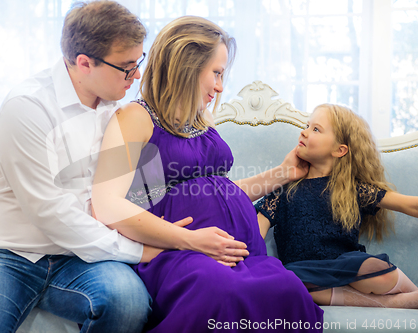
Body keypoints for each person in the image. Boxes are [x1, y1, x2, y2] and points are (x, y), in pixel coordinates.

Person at [0, 2, 212, 332]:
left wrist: (171, 227)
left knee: (128, 303)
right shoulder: (27, 108)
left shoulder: (121, 114)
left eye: (138, 63)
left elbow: (141, 191)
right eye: (126, 67)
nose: (136, 75)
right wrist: (139, 250)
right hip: (10, 254)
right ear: (84, 64)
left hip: (81, 260)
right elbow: (52, 213)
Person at [92, 16, 324, 332]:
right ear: (186, 66)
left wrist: (284, 172)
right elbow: (106, 204)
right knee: (221, 293)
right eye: (215, 73)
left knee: (289, 288)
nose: (220, 85)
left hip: (241, 253)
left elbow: (220, 191)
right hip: (179, 253)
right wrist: (190, 240)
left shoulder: (203, 120)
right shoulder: (135, 117)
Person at [255, 103, 418, 308]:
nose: (304, 132)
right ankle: (396, 302)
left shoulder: (354, 189)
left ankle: (413, 292)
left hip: (345, 266)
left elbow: (410, 205)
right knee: (289, 281)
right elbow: (254, 234)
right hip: (302, 272)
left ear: (339, 150)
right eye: (307, 126)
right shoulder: (283, 190)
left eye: (315, 129)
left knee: (376, 269)